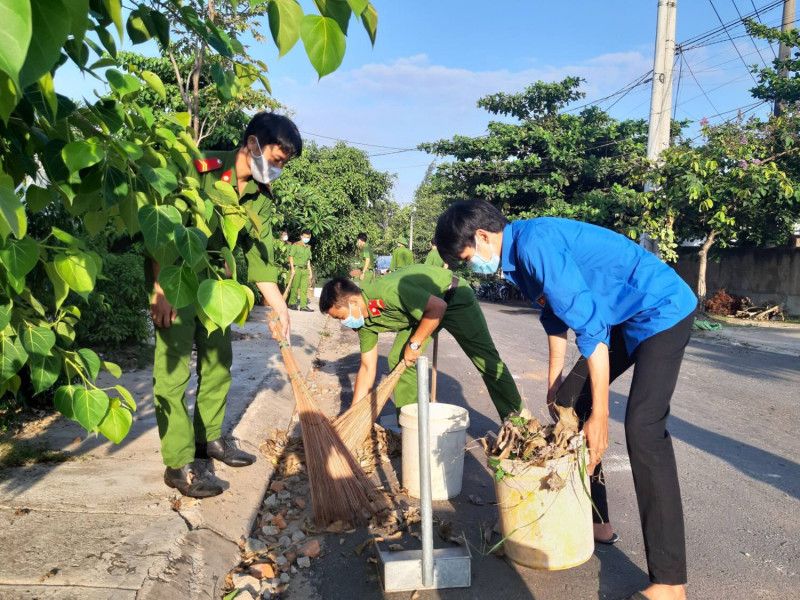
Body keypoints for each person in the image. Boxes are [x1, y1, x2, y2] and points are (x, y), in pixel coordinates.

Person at [434, 199, 696, 600]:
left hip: (662, 309)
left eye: (468, 258)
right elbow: (555, 317)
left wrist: (601, 416)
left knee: (644, 427)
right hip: (624, 317)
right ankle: (598, 522)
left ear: (482, 237)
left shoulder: (535, 244)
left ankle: (670, 582)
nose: (472, 267)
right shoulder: (516, 259)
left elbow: (591, 330)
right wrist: (556, 381)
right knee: (570, 403)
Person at [148, 112, 301, 498]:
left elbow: (260, 256)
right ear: (252, 144)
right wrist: (160, 290)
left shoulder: (260, 197)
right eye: (276, 159)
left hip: (218, 286)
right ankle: (178, 463)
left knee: (218, 364)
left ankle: (208, 439)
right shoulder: (201, 168)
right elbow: (163, 230)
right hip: (178, 277)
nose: (278, 169)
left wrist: (280, 306)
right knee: (173, 373)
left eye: (284, 164)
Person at [318, 265, 522, 420]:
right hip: (422, 313)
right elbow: (367, 368)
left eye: (340, 317)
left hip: (453, 297)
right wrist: (353, 414)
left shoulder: (387, 292)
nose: (343, 322)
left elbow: (438, 307)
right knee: (399, 360)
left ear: (353, 302)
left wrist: (415, 344)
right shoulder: (364, 323)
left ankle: (518, 423)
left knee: (486, 361)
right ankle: (411, 426)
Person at [288, 229, 314, 312]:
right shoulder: (296, 245)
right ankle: (292, 303)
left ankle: (303, 306)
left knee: (304, 289)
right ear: (301, 236)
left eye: (308, 237)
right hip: (297, 269)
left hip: (305, 270)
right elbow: (291, 257)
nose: (307, 238)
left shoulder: (308, 247)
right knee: (295, 287)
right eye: (305, 237)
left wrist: (310, 271)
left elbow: (308, 260)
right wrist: (292, 269)